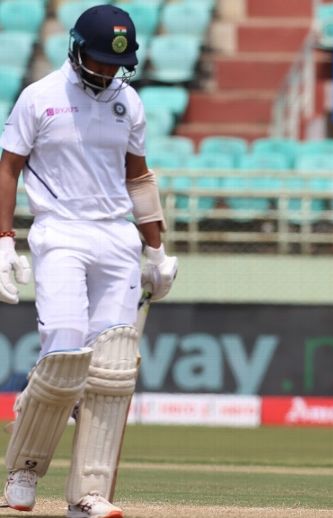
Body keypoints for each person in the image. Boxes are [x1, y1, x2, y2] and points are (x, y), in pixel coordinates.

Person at [0, 5, 178, 517]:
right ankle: (24, 470)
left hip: (116, 238)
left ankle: (88, 493)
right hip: (60, 231)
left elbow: (138, 177)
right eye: (98, 60)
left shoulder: (128, 101)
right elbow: (8, 168)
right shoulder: (40, 96)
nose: (105, 71)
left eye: (114, 65)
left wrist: (156, 250)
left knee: (111, 370)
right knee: (64, 350)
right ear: (76, 48)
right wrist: (4, 241)